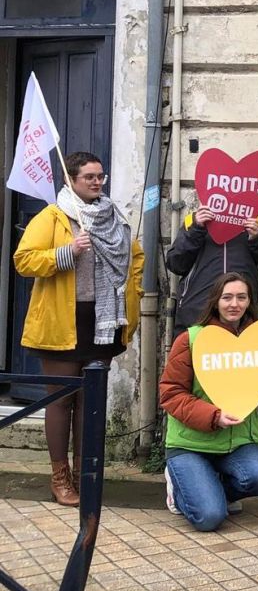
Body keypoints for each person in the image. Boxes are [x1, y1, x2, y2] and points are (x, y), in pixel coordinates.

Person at [14, 151, 144, 507]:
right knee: (61, 402)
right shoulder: (53, 217)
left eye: (100, 175)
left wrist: (132, 290)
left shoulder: (112, 216)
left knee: (91, 404)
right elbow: (24, 260)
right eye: (89, 177)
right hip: (61, 323)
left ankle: (86, 474)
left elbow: (135, 256)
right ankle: (60, 477)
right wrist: (66, 252)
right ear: (71, 180)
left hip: (102, 323)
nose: (97, 182)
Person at [159, 272, 258, 532]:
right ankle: (178, 489)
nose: (234, 304)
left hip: (236, 444)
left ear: (249, 302)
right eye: (227, 297)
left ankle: (212, 489)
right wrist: (214, 416)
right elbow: (170, 394)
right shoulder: (191, 339)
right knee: (210, 518)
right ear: (216, 301)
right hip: (190, 445)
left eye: (241, 297)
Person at [165, 184, 258, 338]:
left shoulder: (257, 220)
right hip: (196, 317)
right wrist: (197, 229)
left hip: (241, 318)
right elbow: (175, 264)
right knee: (189, 361)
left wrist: (256, 240)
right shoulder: (193, 220)